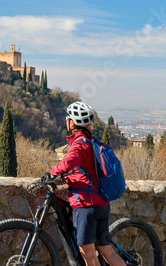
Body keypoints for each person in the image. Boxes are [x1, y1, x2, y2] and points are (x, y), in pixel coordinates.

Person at [50, 101, 125, 266]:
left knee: (89, 255)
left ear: (72, 122)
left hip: (86, 205)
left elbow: (69, 162)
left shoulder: (79, 144)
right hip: (101, 204)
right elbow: (85, 171)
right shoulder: (91, 142)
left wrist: (52, 173)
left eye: (68, 118)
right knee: (107, 251)